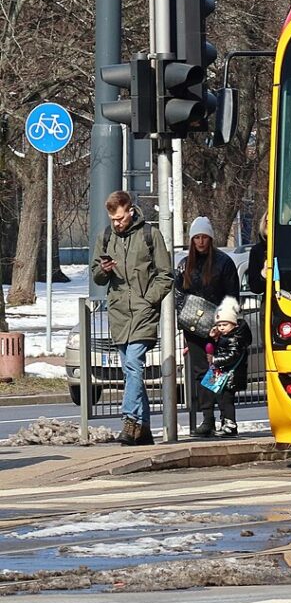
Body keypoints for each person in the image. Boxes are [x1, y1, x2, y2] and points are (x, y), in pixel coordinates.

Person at [90, 191, 172, 446]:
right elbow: (95, 274)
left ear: (131, 210)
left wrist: (149, 299)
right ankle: (143, 429)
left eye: (120, 218)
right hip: (119, 313)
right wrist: (103, 271)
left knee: (134, 365)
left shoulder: (150, 235)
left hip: (143, 311)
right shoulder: (105, 237)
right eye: (113, 219)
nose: (116, 223)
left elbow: (166, 274)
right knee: (130, 371)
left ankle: (128, 420)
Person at [177, 216, 240, 437]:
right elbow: (179, 295)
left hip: (219, 326)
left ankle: (227, 418)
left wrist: (224, 324)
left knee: (220, 369)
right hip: (194, 328)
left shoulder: (223, 263)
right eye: (197, 238)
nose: (201, 242)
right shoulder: (185, 264)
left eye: (204, 237)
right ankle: (207, 418)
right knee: (200, 372)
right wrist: (184, 322)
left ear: (211, 239)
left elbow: (232, 296)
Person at [206, 297, 252, 437]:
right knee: (220, 398)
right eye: (219, 325)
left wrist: (215, 360)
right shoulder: (224, 337)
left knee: (227, 399)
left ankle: (230, 424)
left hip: (230, 375)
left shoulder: (235, 339)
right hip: (222, 374)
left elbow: (232, 356)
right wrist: (213, 338)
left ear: (233, 324)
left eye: (224, 325)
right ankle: (225, 422)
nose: (221, 328)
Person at [246, 221, 267, 299]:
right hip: (270, 302)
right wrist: (263, 275)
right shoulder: (257, 250)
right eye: (267, 222)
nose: (271, 225)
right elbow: (254, 287)